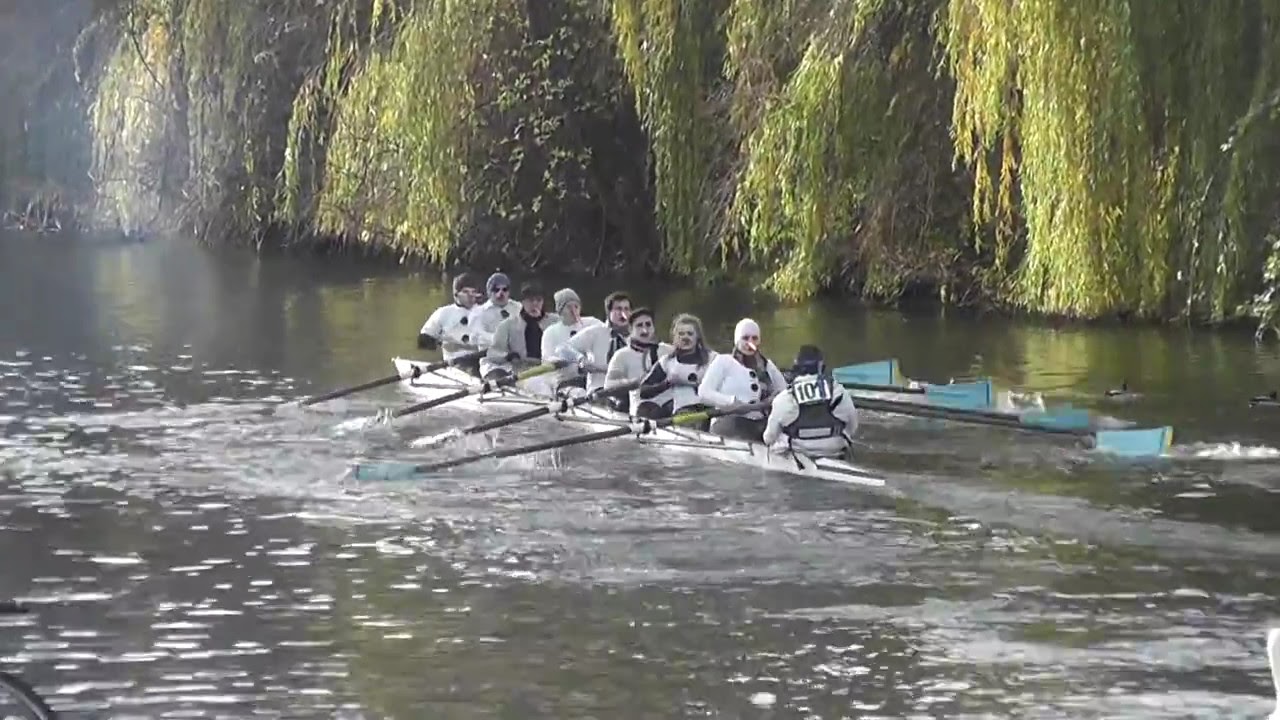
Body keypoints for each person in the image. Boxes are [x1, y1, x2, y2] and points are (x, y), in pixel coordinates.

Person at [697, 318, 787, 441]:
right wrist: (731, 402)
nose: (750, 343)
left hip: (761, 423)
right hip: (729, 420)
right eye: (745, 338)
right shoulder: (724, 361)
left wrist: (773, 399)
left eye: (754, 338)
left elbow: (786, 393)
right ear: (737, 341)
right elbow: (703, 393)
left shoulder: (767, 366)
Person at [762, 345, 858, 459]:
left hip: (797, 455)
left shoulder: (784, 397)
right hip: (835, 451)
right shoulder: (839, 392)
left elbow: (769, 438)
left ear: (796, 367)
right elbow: (853, 427)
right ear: (821, 366)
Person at [635, 313, 716, 423]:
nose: (685, 337)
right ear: (674, 338)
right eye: (681, 334)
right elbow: (644, 392)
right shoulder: (667, 362)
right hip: (683, 413)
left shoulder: (713, 359)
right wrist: (667, 383)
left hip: (711, 411)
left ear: (698, 337)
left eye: (690, 334)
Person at [481, 282, 559, 380]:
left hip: (548, 369)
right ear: (522, 302)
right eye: (530, 300)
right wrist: (509, 356)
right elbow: (494, 352)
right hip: (520, 370)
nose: (535, 304)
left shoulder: (555, 322)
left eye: (538, 300)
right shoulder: (507, 325)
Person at [603, 307, 673, 414]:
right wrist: (633, 382)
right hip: (642, 406)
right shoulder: (622, 355)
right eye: (639, 326)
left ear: (653, 328)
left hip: (670, 404)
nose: (645, 330)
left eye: (648, 325)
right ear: (630, 330)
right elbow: (608, 386)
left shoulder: (668, 350)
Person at [563, 291, 633, 394]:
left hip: (628, 391)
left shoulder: (636, 337)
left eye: (626, 309)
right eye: (618, 309)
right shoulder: (595, 333)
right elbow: (562, 348)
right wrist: (580, 359)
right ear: (609, 312)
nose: (623, 313)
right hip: (599, 390)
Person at [539, 288, 603, 394]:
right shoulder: (550, 332)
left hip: (591, 377)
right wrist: (559, 361)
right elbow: (547, 359)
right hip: (565, 380)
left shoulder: (593, 323)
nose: (574, 311)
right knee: (579, 393)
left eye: (576, 306)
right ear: (560, 311)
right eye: (569, 307)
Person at [417, 273, 483, 374]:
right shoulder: (443, 313)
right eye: (465, 292)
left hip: (483, 361)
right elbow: (423, 341)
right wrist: (441, 342)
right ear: (456, 294)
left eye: (474, 292)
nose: (471, 296)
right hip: (456, 363)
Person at [469, 271, 518, 349]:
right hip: (490, 356)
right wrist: (500, 339)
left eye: (505, 289)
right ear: (489, 292)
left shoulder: (518, 308)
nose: (501, 294)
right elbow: (475, 337)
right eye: (496, 290)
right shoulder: (478, 313)